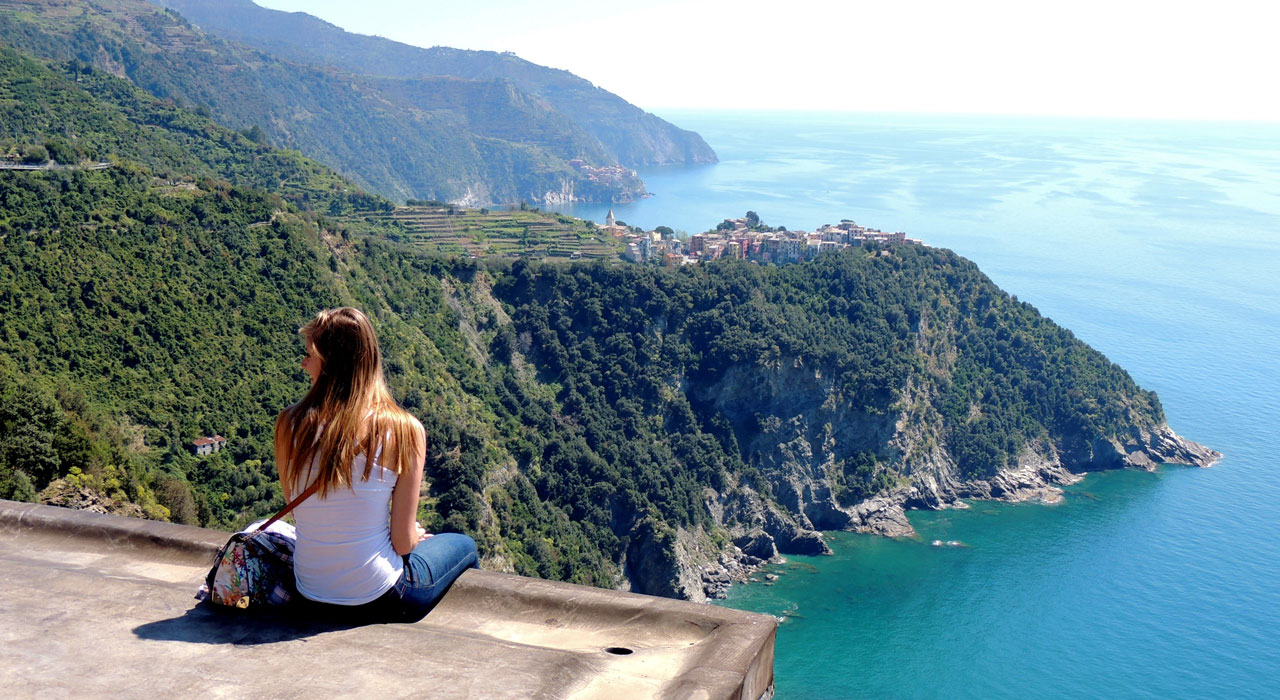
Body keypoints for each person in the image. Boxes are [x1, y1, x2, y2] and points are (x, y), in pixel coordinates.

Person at [274, 307, 477, 623]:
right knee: (465, 545)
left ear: (330, 364)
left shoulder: (289, 423)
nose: (304, 363)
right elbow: (402, 543)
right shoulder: (403, 429)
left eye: (310, 355)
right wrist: (414, 535)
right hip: (380, 597)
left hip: (309, 592)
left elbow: (299, 509)